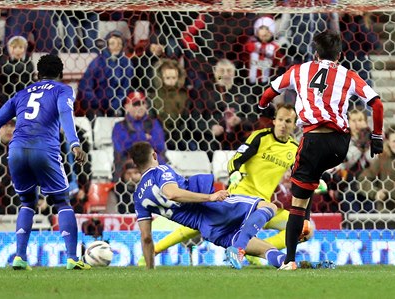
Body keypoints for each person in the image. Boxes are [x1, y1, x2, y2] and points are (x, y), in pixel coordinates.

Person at [258, 30, 384, 270]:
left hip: (313, 141)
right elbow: (376, 104)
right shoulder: (348, 74)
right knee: (317, 172)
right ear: (339, 55)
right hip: (340, 144)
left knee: (298, 202)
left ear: (315, 53)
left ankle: (290, 260)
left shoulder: (299, 70)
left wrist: (263, 106)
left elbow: (269, 93)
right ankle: (323, 179)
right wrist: (376, 136)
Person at [138, 104, 312, 265]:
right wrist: (235, 172)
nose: (283, 124)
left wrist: (316, 184)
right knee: (199, 223)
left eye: (288, 121)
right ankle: (154, 250)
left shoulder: (294, 148)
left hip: (263, 205)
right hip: (240, 195)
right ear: (274, 120)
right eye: (280, 119)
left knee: (306, 229)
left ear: (295, 125)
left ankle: (253, 252)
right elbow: (235, 160)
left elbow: (300, 178)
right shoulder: (260, 137)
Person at [0, 54, 91, 270]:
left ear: (37, 74)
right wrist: (74, 143)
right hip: (44, 149)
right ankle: (71, 258)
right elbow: (65, 112)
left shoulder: (21, 94)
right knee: (61, 202)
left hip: (16, 150)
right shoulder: (63, 89)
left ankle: (20, 257)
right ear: (60, 74)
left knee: (27, 203)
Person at [130, 141, 288, 270]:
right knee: (268, 207)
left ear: (136, 164)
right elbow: (172, 193)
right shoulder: (160, 170)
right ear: (154, 155)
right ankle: (239, 247)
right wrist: (210, 197)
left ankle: (284, 262)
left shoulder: (138, 197)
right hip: (213, 209)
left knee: (265, 250)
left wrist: (150, 269)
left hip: (208, 229)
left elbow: (146, 237)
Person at [112, 91, 166, 181]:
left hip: (150, 163)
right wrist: (144, 137)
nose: (139, 107)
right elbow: (122, 148)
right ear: (127, 107)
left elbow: (159, 146)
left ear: (146, 106)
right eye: (135, 104)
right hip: (128, 164)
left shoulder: (154, 123)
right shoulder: (119, 126)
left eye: (142, 103)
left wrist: (133, 139)